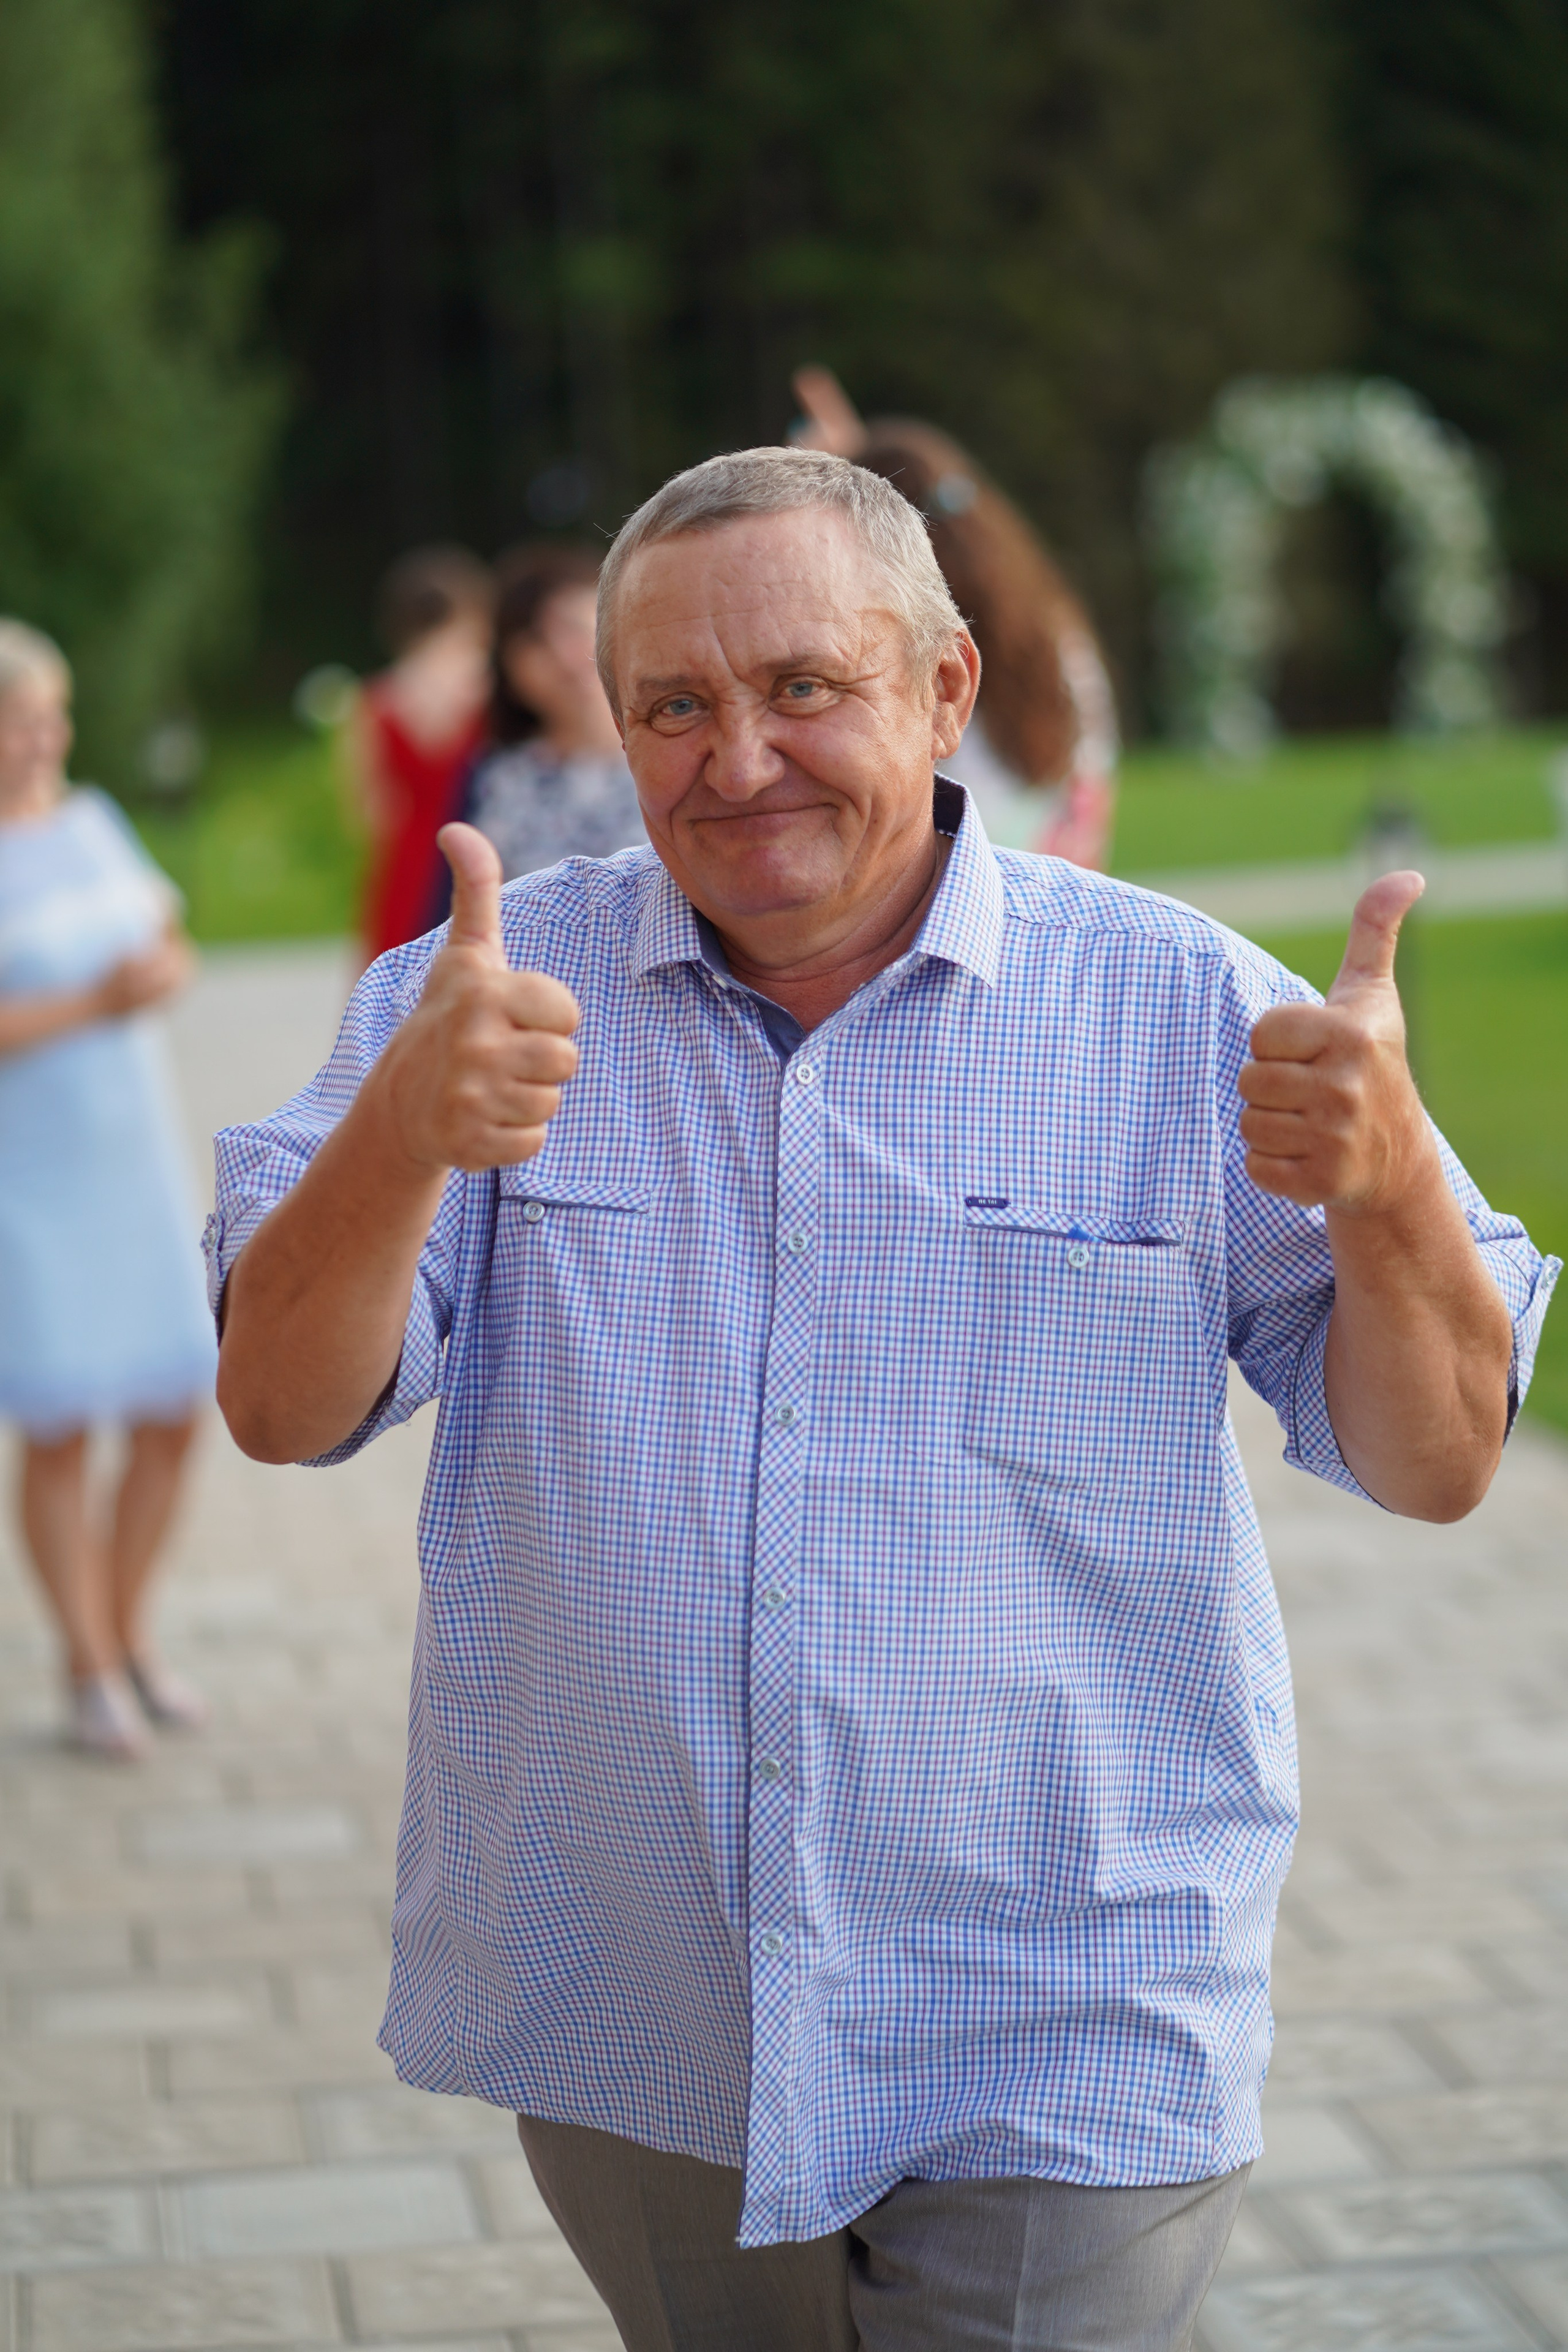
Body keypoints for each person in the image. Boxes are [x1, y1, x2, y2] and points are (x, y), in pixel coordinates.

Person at [209, 450, 1555, 2350]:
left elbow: (1438, 1463)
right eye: (672, 703)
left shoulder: (1177, 1010)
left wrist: (1397, 1183)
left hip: (1063, 1996)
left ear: (944, 690)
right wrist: (399, 1140)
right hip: (645, 2005)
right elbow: (278, 1404)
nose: (734, 755)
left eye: (801, 687)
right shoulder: (475, 1005)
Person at [0, 622, 214, 1760]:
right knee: (60, 1425)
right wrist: (97, 1005)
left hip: (133, 1163)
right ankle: (84, 1665)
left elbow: (167, 934)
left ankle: (129, 1633)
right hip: (28, 1179)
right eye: (23, 718)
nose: (46, 739)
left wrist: (162, 972)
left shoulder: (92, 822)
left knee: (175, 1410)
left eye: (53, 716)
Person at [792, 365, 1118, 868]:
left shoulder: (892, 651)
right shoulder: (1053, 631)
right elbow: (1092, 801)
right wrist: (856, 471)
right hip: (1046, 895)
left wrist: (812, 498)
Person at [442, 544, 644, 903]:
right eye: (536, 640)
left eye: (574, 628)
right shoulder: (493, 782)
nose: (564, 657)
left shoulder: (674, 754)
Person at [352, 545, 492, 965]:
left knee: (394, 997)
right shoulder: (486, 688)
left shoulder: (377, 700)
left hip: (407, 861)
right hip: (478, 850)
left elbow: (369, 811)